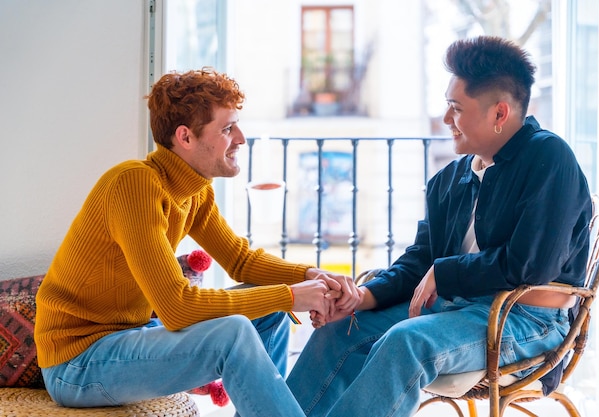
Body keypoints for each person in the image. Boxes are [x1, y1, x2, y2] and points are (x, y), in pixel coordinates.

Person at [286, 35, 591, 417]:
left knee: (404, 344)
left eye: (456, 108)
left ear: (499, 114)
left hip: (525, 321)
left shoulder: (549, 157)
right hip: (453, 310)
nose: (446, 119)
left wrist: (444, 273)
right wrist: (360, 298)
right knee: (337, 332)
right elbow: (420, 261)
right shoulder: (450, 178)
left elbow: (530, 265)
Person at [34, 68, 360, 417]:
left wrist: (311, 275)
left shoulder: (195, 190)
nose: (240, 138)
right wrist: (294, 295)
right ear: (185, 137)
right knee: (235, 331)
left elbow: (240, 261)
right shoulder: (135, 185)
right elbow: (177, 307)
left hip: (132, 336)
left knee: (270, 312)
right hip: (78, 363)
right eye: (226, 128)